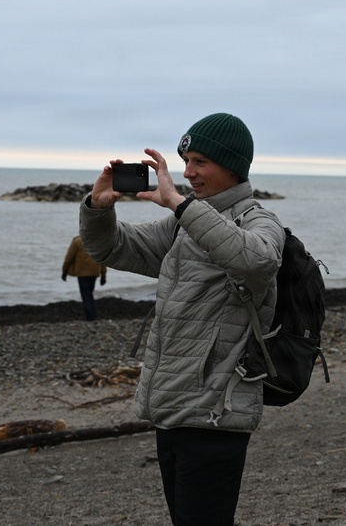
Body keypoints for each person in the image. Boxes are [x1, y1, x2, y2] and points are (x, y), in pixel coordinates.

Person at [79, 112, 285, 526]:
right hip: (172, 407)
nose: (188, 172)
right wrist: (98, 209)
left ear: (233, 166)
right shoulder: (184, 225)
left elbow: (259, 260)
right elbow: (112, 249)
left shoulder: (257, 220)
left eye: (200, 162)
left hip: (215, 411)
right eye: (185, 161)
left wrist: (179, 204)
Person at [61, 235, 107, 321]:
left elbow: (69, 258)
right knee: (89, 294)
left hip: (82, 273)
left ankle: (91, 318)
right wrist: (103, 275)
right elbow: (103, 259)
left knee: (86, 296)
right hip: (95, 272)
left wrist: (64, 271)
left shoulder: (77, 241)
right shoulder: (98, 241)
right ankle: (92, 316)